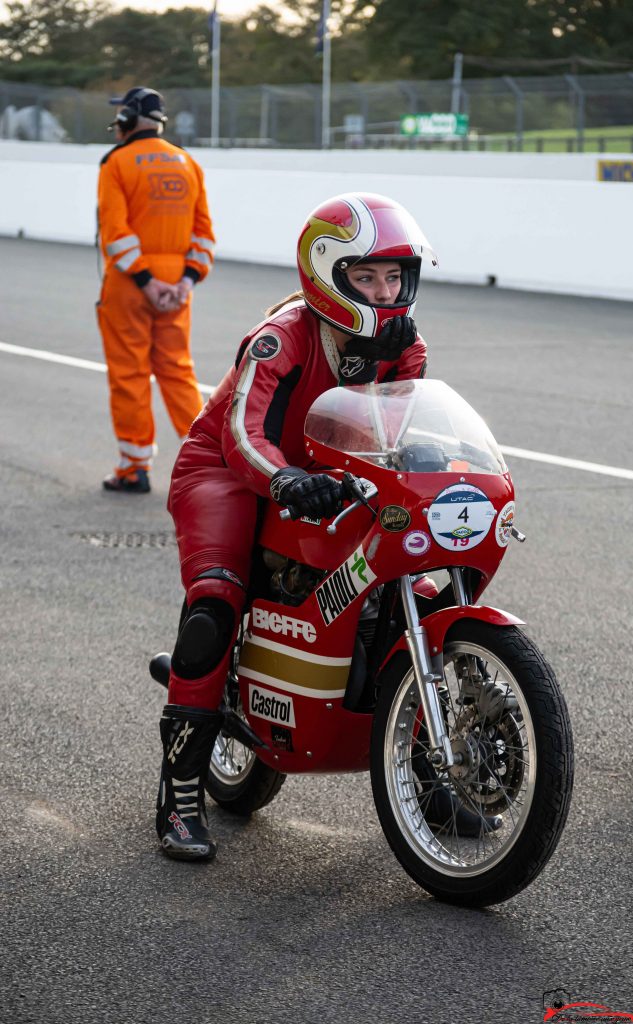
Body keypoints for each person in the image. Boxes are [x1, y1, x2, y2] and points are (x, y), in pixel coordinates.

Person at [154, 191, 438, 861]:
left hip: (323, 476)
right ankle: (180, 792)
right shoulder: (282, 335)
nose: (385, 290)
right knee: (216, 603)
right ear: (327, 274)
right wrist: (283, 481)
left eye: (395, 276)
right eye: (366, 276)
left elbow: (404, 434)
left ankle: (431, 777)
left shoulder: (406, 346)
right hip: (226, 470)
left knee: (403, 595)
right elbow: (240, 434)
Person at [96, 86, 215, 494]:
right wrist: (185, 281)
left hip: (132, 284)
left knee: (130, 373)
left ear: (128, 119)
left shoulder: (116, 162)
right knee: (177, 371)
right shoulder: (188, 163)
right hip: (177, 286)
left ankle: (134, 467)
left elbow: (115, 233)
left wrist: (146, 281)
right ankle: (212, 461)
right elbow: (204, 235)